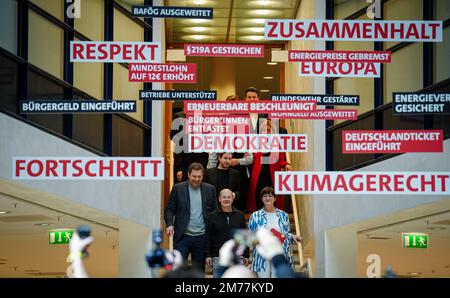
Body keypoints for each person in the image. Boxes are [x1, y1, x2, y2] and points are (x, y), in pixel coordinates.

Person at [164, 162, 218, 272]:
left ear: (203, 176)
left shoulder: (210, 189)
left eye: (199, 176)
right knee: (178, 269)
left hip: (202, 237)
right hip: (182, 237)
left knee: (198, 272)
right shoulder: (178, 188)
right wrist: (169, 224)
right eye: (194, 176)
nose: (196, 179)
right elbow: (169, 209)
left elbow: (215, 213)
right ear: (188, 175)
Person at [248, 186, 302, 278]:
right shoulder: (255, 215)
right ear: (261, 199)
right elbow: (250, 235)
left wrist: (292, 236)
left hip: (279, 253)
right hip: (261, 255)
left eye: (270, 196)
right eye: (265, 196)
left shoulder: (283, 215)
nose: (268, 198)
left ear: (275, 198)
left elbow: (285, 233)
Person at [247, 119, 291, 212]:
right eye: (264, 129)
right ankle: (259, 211)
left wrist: (286, 164)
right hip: (259, 172)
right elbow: (252, 157)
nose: (266, 132)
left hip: (272, 173)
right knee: (258, 192)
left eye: (268, 129)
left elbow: (281, 158)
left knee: (273, 193)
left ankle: (272, 211)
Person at [204, 189, 248, 277]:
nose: (226, 199)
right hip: (218, 257)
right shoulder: (212, 216)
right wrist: (208, 255)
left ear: (232, 199)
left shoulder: (240, 215)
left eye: (229, 197)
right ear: (219, 199)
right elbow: (207, 237)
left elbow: (244, 236)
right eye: (224, 197)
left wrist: (246, 255)